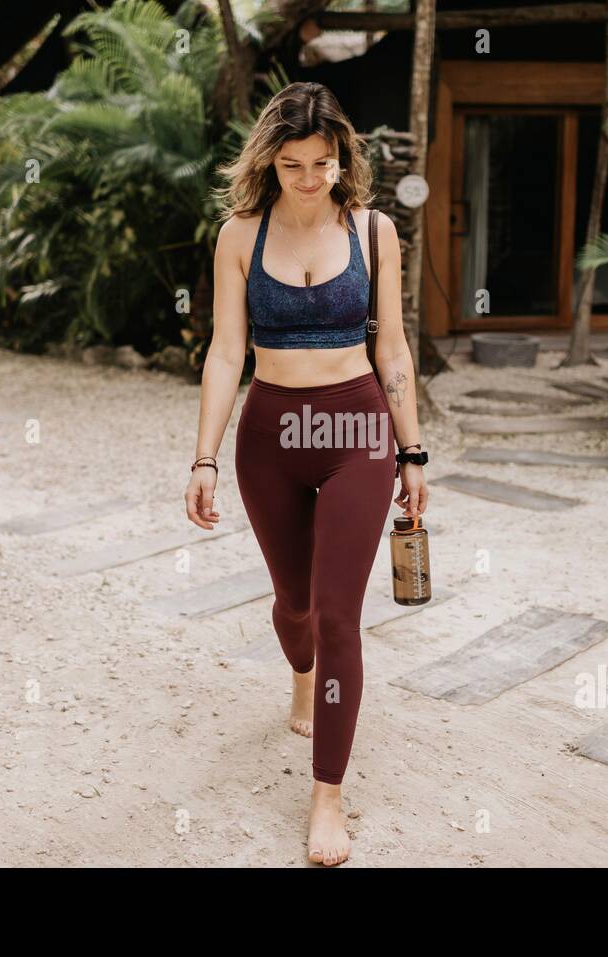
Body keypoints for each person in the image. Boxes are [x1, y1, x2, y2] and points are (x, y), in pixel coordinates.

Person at [184, 82, 429, 866]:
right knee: (293, 608)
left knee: (335, 616)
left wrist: (413, 451)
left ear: (341, 158)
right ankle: (301, 675)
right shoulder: (237, 237)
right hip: (270, 437)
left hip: (356, 429)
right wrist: (204, 457)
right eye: (292, 164)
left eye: (322, 163)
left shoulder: (375, 229)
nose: (309, 178)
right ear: (270, 160)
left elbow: (392, 348)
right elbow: (226, 351)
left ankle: (327, 796)